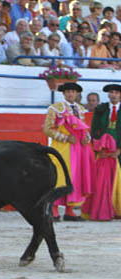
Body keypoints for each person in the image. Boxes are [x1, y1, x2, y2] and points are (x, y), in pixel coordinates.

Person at [43, 82, 93, 221]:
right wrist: (65, 138)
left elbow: (83, 129)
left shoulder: (80, 109)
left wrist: (86, 139)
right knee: (60, 177)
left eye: (73, 91)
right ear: (63, 93)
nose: (71, 94)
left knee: (75, 178)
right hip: (62, 147)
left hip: (78, 148)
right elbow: (47, 129)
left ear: (77, 94)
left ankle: (69, 211)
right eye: (68, 91)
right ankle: (54, 210)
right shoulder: (56, 108)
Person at [81, 84, 121, 221]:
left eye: (116, 92)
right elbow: (95, 130)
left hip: (119, 148)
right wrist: (98, 148)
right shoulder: (101, 109)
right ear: (108, 94)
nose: (114, 95)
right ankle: (105, 209)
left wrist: (119, 150)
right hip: (104, 151)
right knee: (102, 181)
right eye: (111, 92)